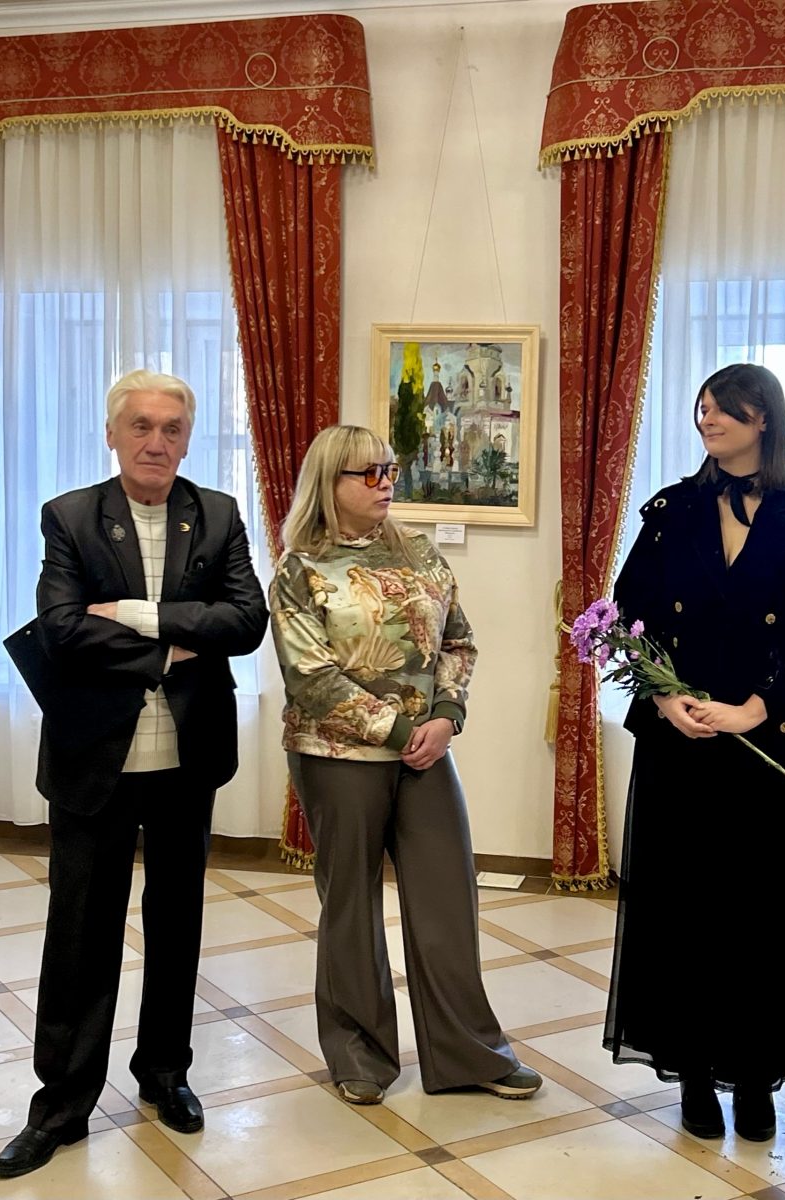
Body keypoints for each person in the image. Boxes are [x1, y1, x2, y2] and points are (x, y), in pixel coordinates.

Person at [0, 370, 268, 1178]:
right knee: (80, 934)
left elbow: (245, 622)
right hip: (94, 757)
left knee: (177, 923)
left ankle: (165, 1073)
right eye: (141, 426)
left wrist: (139, 616)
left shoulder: (217, 514)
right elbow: (61, 628)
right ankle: (61, 1105)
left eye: (172, 428)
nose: (156, 442)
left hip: (187, 756)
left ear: (188, 438)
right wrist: (174, 648)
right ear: (112, 434)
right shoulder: (71, 516)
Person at [603, 363, 785, 1142]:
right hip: (681, 742)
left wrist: (755, 707)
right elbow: (626, 616)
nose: (707, 420)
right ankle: (692, 1072)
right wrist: (662, 697)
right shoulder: (670, 509)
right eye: (701, 408)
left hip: (772, 737)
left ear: (762, 418)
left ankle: (754, 1075)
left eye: (723, 410)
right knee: (684, 909)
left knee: (764, 914)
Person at [269, 424, 542, 1105]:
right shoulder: (299, 569)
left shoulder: (418, 551)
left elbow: (458, 641)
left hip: (425, 750)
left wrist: (447, 715)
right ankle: (360, 1055)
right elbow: (311, 678)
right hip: (337, 755)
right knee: (350, 905)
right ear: (329, 483)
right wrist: (399, 730)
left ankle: (468, 1053)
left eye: (389, 469)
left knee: (447, 894)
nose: (385, 482)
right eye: (367, 473)